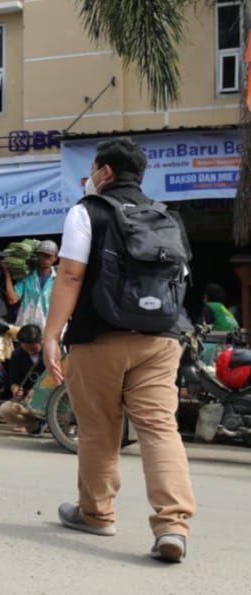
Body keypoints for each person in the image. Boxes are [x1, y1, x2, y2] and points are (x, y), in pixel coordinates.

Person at [43, 137, 195, 563]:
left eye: (93, 168)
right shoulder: (167, 218)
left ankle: (96, 513)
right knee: (160, 429)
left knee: (98, 430)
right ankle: (173, 525)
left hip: (99, 338)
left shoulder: (87, 211)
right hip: (161, 340)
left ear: (105, 172)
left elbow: (71, 276)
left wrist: (52, 335)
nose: (90, 175)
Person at [0, 324, 45, 434]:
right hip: (25, 398)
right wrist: (15, 389)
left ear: (41, 341)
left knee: (27, 407)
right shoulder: (18, 355)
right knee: (4, 410)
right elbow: (13, 378)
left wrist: (37, 390)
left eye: (33, 348)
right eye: (26, 347)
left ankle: (40, 420)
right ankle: (30, 422)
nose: (30, 351)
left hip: (46, 395)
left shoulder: (50, 352)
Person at [3, 239, 58, 329]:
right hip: (26, 329)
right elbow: (12, 299)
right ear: (37, 255)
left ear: (55, 258)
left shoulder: (58, 280)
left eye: (48, 256)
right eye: (42, 255)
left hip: (48, 330)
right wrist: (7, 274)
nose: (45, 259)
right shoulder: (27, 277)